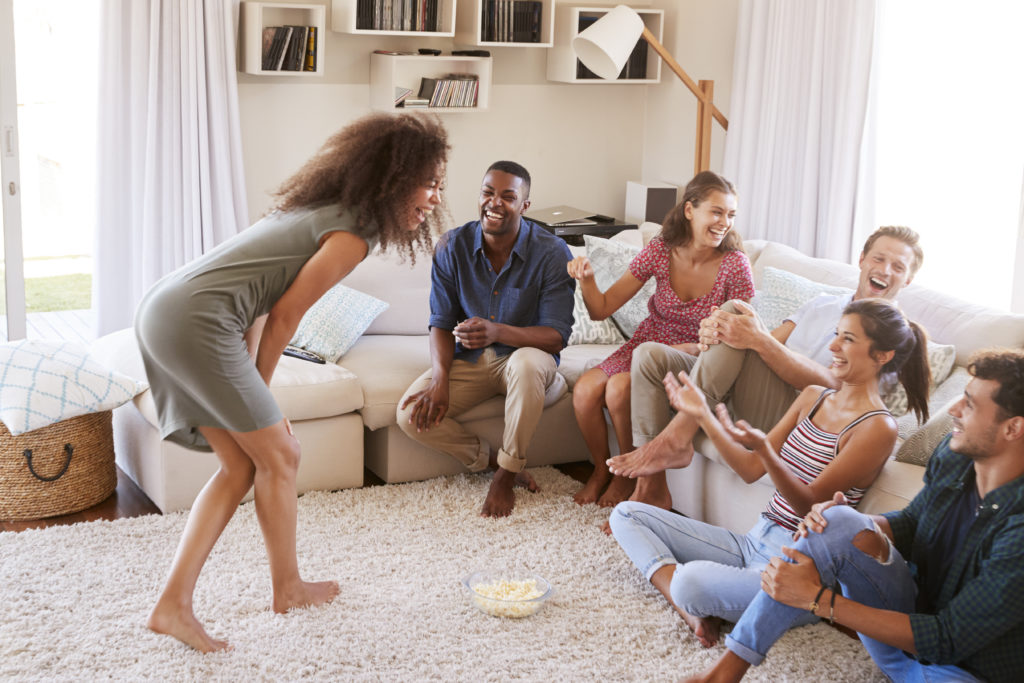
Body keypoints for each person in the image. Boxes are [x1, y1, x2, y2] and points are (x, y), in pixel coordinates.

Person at [135, 113, 450, 652]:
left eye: (440, 184)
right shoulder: (353, 233)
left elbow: (261, 302)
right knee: (280, 454)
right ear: (396, 179)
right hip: (196, 320)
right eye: (428, 182)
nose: (434, 196)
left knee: (244, 463)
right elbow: (285, 315)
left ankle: (176, 605)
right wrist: (263, 397)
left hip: (171, 311)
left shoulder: (318, 209)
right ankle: (286, 588)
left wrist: (255, 399)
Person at [609, 298, 930, 649]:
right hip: (755, 538)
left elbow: (811, 503)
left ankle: (693, 598)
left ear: (882, 355)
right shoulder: (813, 397)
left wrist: (764, 449)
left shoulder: (878, 427)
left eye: (848, 340)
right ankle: (691, 609)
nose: (833, 347)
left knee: (690, 583)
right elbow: (749, 469)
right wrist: (702, 414)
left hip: (799, 569)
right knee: (626, 514)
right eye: (837, 335)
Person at [690, 348, 1024, 683]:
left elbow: (947, 638)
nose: (953, 409)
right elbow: (911, 523)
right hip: (904, 631)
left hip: (964, 670)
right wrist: (845, 530)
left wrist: (817, 600)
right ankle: (724, 674)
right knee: (837, 521)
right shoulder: (955, 458)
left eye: (969, 403)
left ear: (1013, 428)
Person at [608, 226, 925, 512]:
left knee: (736, 313)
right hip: (748, 391)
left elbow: (837, 386)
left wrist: (751, 336)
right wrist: (705, 343)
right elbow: (761, 345)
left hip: (795, 416)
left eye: (898, 267)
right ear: (862, 260)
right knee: (651, 356)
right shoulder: (822, 303)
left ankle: (677, 439)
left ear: (908, 279)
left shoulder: (893, 337)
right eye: (878, 259)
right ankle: (652, 488)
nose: (885, 270)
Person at [397, 160, 575, 518]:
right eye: (488, 193)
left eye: (508, 197)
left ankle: (506, 478)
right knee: (409, 414)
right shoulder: (452, 246)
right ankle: (491, 461)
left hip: (529, 358)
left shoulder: (552, 253)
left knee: (524, 364)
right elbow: (441, 322)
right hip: (473, 360)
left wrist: (497, 331)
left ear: (525, 206)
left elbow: (555, 337)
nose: (495, 203)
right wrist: (442, 379)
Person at [566, 172, 754, 508]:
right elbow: (602, 308)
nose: (724, 222)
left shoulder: (735, 266)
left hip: (698, 356)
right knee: (583, 391)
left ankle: (633, 478)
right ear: (689, 210)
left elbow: (738, 341)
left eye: (731, 215)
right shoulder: (661, 249)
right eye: (717, 212)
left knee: (618, 390)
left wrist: (691, 347)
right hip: (649, 341)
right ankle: (600, 469)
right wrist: (589, 280)